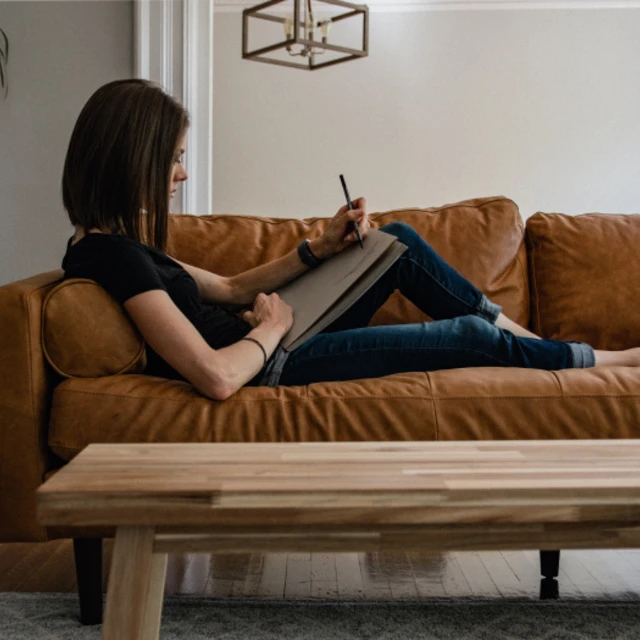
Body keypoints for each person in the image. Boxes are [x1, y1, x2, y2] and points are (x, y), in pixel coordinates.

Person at [61, 79, 640, 401]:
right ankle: (597, 360)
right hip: (271, 361)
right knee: (468, 337)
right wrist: (271, 328)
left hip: (275, 338)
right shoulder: (110, 257)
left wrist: (321, 247)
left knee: (397, 242)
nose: (181, 175)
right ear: (134, 157)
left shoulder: (123, 243)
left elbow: (232, 286)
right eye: (176, 159)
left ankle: (523, 337)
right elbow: (215, 376)